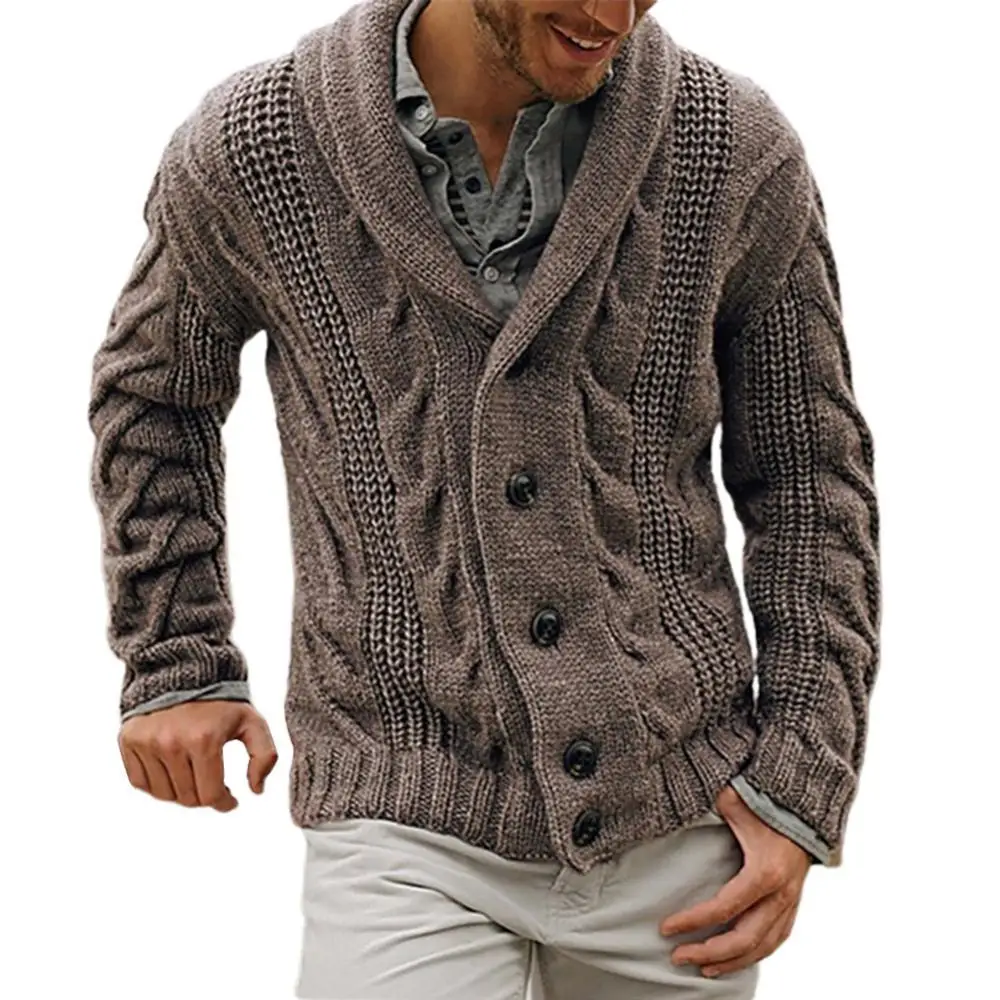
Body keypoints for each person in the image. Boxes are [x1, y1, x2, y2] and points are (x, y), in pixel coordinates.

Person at [86, 0, 881, 997]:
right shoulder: (259, 144)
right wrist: (178, 658)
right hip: (402, 806)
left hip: (682, 821)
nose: (611, 14)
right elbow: (154, 395)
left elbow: (811, 472)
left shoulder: (732, 147)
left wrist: (802, 775)